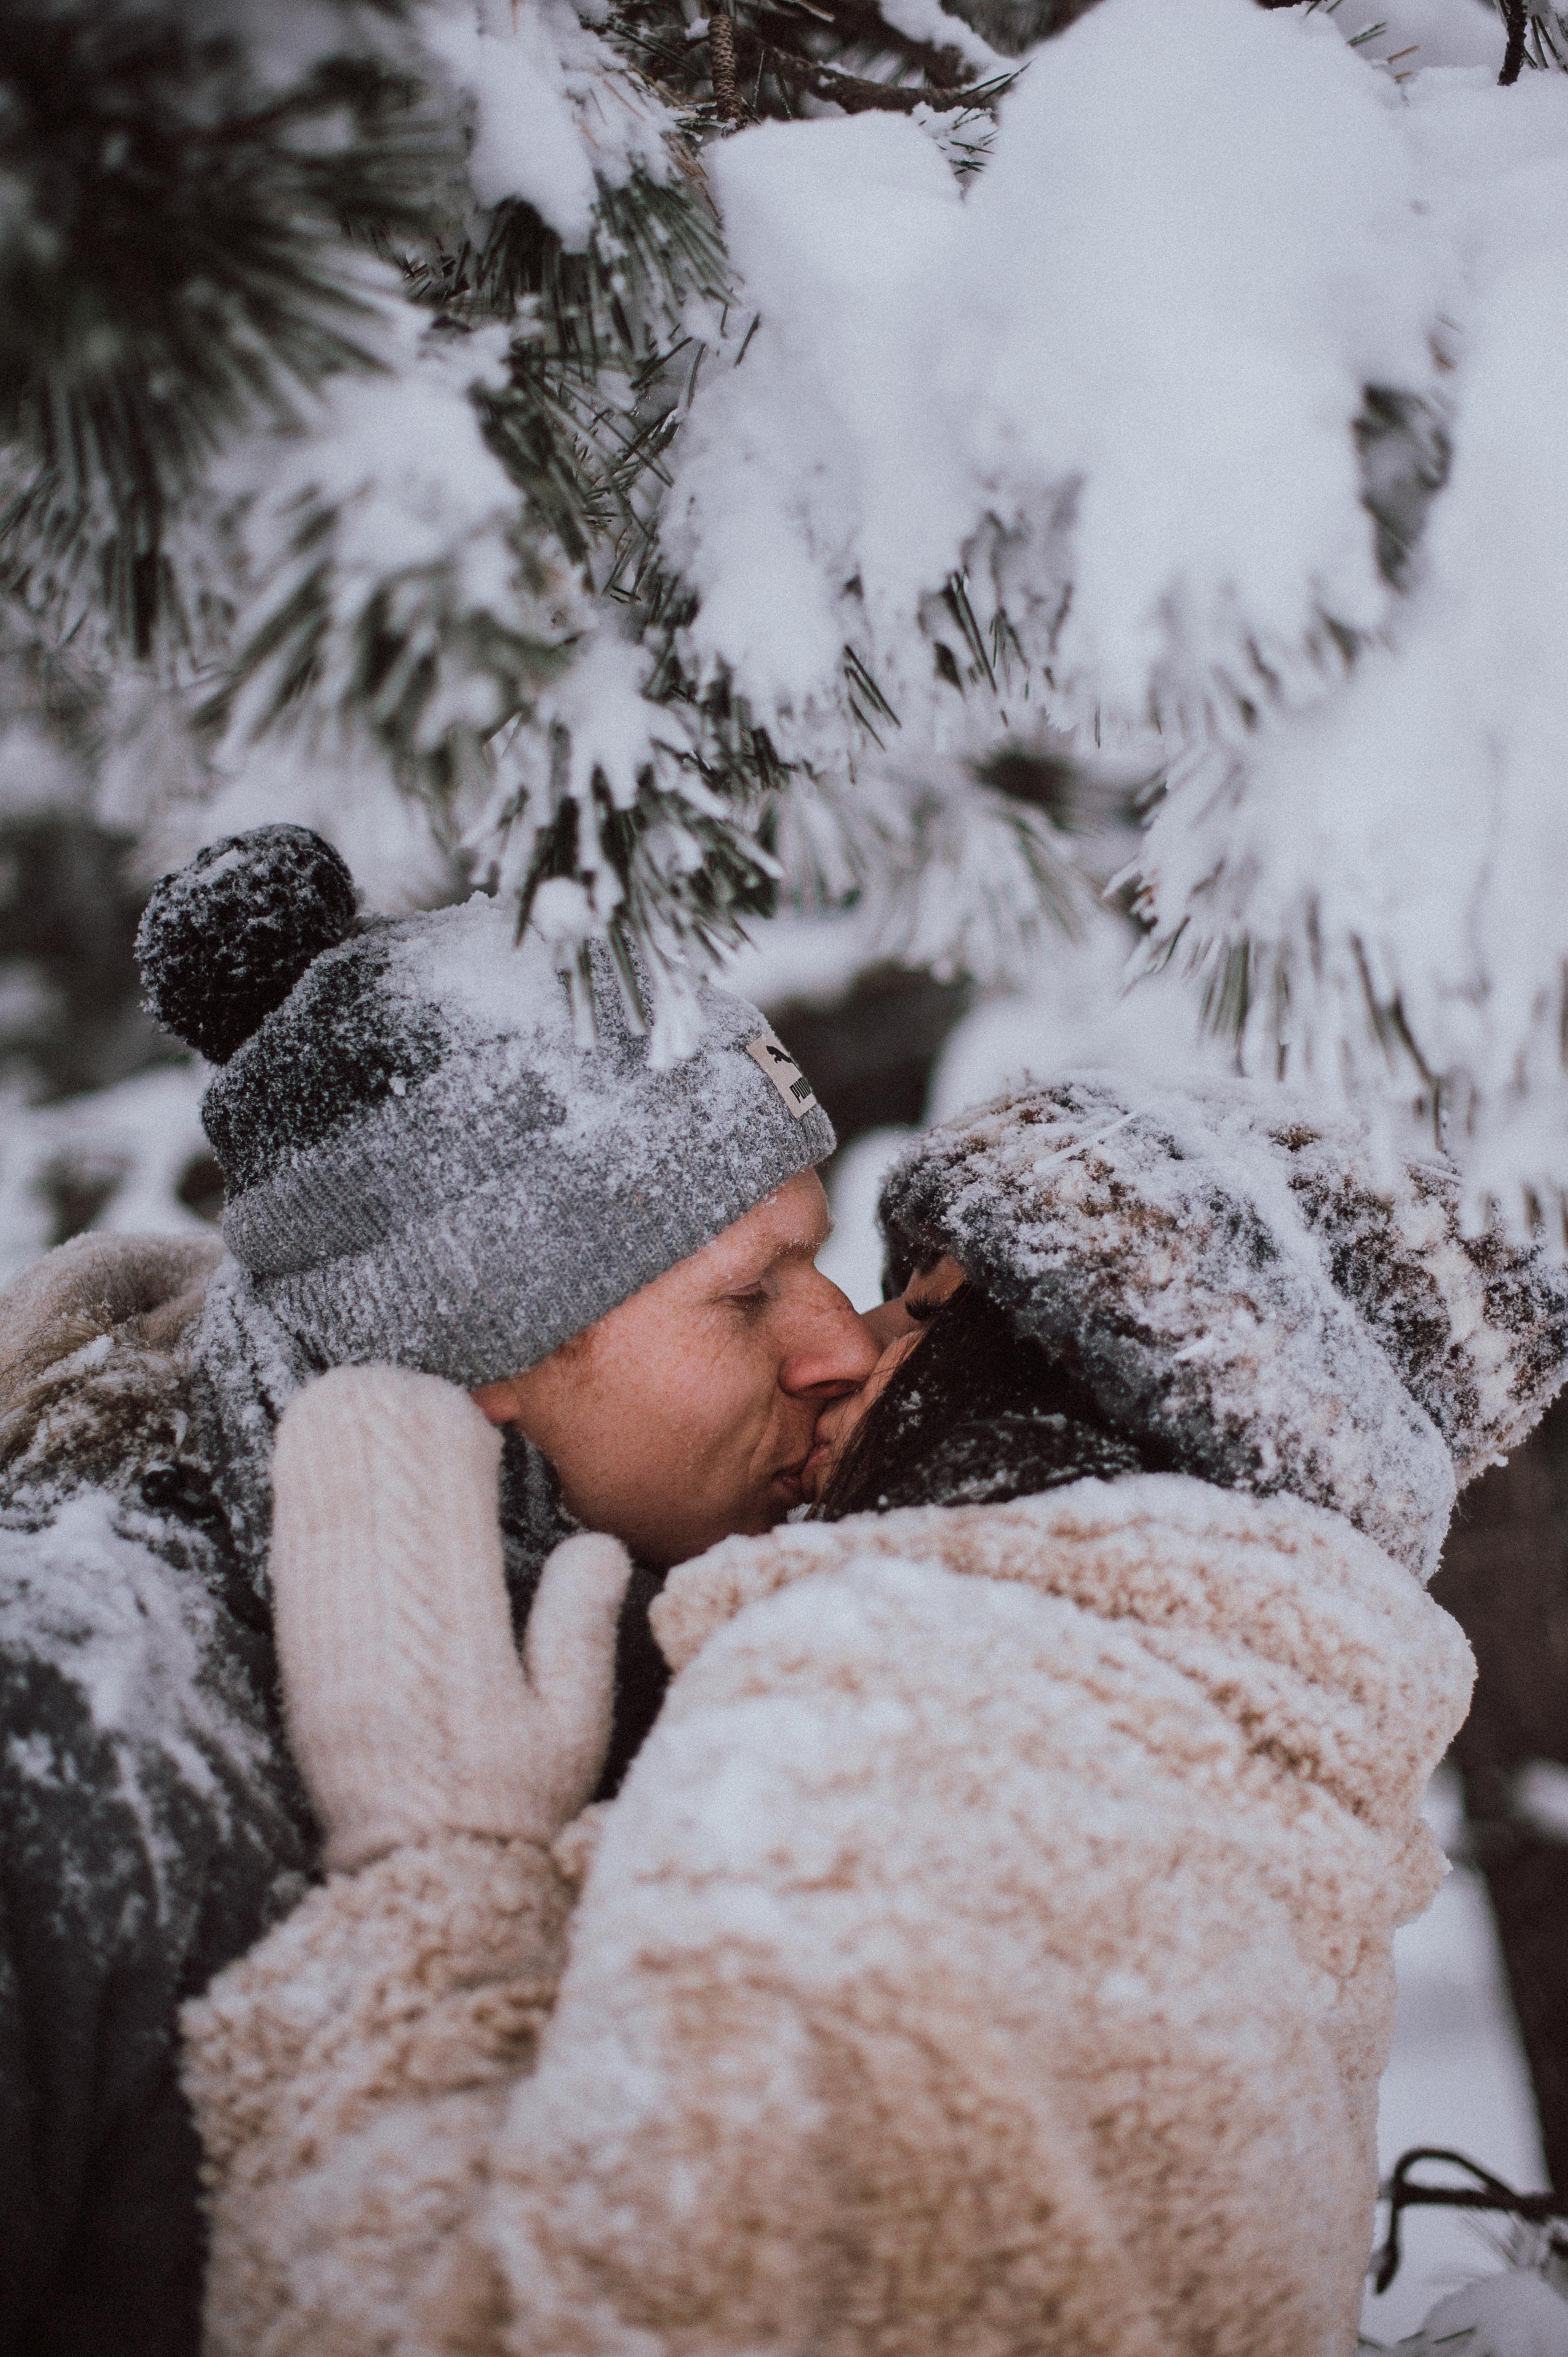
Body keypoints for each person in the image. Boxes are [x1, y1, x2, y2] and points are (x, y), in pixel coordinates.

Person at [183, 1073, 1568, 2357]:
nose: (849, 1343)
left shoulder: (931, 1700)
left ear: (1099, 1370)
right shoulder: (1204, 1716)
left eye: (926, 1309)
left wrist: (435, 1879)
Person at [0, 824, 873, 2357]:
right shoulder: (74, 1729)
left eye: (819, 1253)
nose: (841, 1344)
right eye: (745, 1292)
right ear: (474, 1360)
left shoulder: (718, 1626)